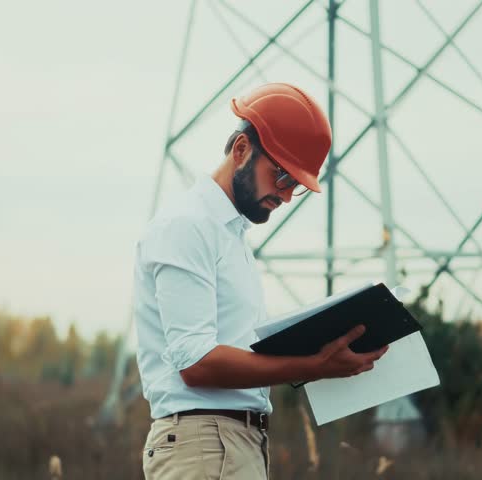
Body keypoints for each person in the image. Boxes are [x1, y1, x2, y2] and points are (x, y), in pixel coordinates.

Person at [133, 82, 390, 479]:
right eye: (282, 176)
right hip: (204, 447)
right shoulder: (188, 226)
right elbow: (196, 363)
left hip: (229, 445)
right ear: (241, 150)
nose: (285, 196)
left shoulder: (228, 235)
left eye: (296, 187)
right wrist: (312, 364)